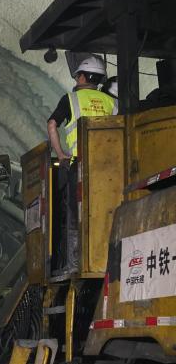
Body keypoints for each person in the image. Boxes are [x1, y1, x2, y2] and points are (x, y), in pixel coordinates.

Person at [46, 56, 116, 274]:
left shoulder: (70, 99)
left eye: (78, 76)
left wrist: (61, 154)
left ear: (84, 77)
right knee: (105, 212)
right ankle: (106, 261)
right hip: (107, 167)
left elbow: (52, 125)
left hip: (79, 166)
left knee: (74, 215)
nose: (76, 80)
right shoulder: (111, 103)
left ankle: (75, 265)